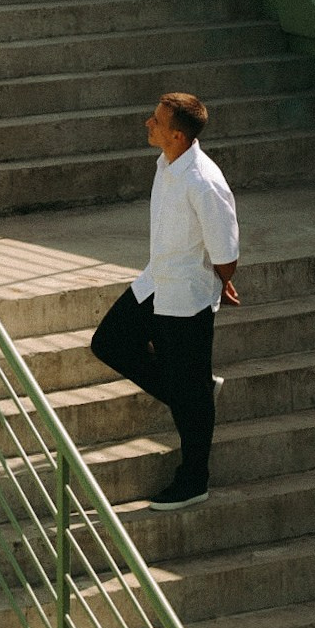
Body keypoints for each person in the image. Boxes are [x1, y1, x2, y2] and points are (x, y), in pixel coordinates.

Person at [91, 93, 240, 511]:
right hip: (155, 282)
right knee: (109, 343)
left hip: (186, 297)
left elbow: (226, 252)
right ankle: (193, 392)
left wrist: (223, 282)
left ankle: (194, 479)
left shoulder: (203, 181)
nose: (147, 124)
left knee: (189, 397)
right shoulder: (166, 163)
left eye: (155, 121)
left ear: (177, 134)